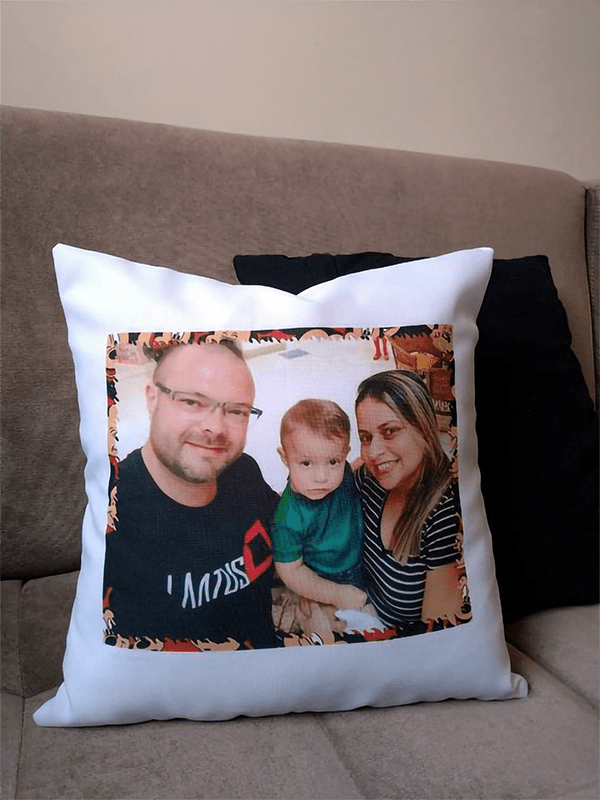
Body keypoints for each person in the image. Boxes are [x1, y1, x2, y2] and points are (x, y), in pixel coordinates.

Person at [103, 340, 280, 651]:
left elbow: (294, 533)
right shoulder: (115, 513)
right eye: (192, 402)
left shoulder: (244, 471)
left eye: (236, 411)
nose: (215, 427)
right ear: (153, 398)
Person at [354, 370, 467, 631]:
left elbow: (436, 635)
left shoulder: (445, 514)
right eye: (365, 437)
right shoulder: (369, 479)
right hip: (357, 615)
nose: (373, 452)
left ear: (424, 428)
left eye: (390, 431)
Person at [271, 399, 368, 610]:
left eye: (333, 462)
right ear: (285, 457)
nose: (322, 477)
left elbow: (355, 465)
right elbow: (291, 571)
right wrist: (335, 594)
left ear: (345, 454)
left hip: (360, 563)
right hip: (318, 580)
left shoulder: (344, 474)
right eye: (306, 463)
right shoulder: (287, 517)